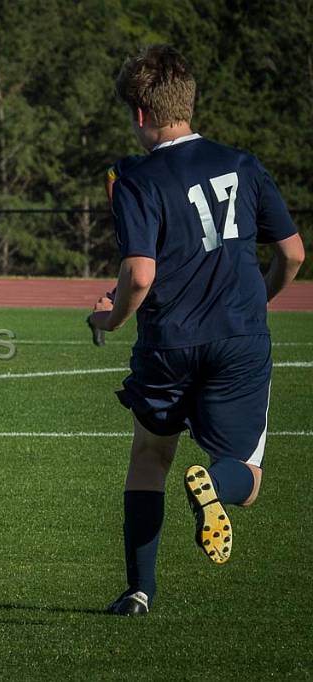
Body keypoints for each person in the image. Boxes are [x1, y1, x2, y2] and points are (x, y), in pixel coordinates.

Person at [89, 46, 305, 616]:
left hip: (168, 342)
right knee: (247, 476)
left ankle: (139, 590)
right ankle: (214, 485)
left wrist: (109, 317)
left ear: (139, 114)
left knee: (149, 455)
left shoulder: (134, 175)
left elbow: (139, 274)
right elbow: (293, 253)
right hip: (238, 338)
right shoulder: (241, 162)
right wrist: (258, 300)